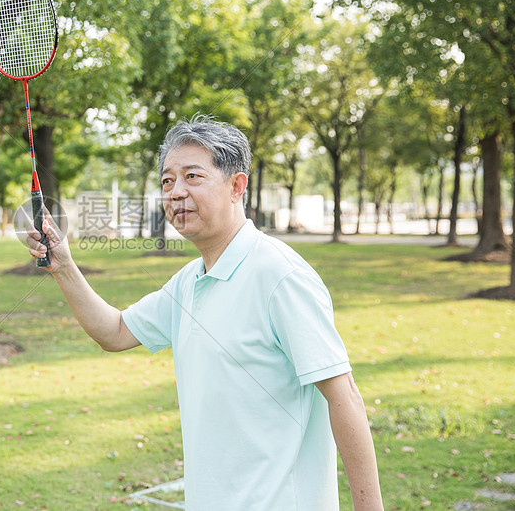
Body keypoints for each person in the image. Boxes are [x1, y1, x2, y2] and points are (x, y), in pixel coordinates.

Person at [27, 115, 383, 510]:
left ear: (236, 186)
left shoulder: (281, 276)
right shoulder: (189, 281)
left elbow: (344, 397)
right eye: (167, 180)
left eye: (192, 176)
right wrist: (63, 266)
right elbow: (115, 331)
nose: (176, 192)